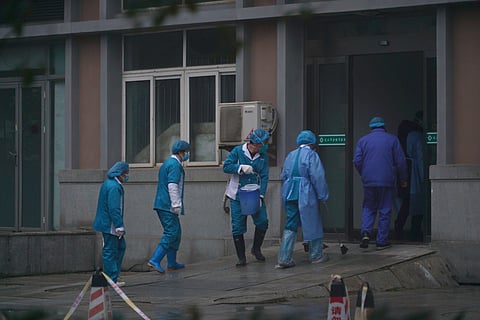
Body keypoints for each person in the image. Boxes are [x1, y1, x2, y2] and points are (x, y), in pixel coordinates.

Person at [277, 130, 329, 269]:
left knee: (290, 223)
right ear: (312, 144)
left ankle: (284, 257)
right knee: (312, 221)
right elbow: (318, 176)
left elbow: (284, 175)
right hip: (305, 191)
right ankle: (316, 255)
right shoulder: (312, 155)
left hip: (289, 191)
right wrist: (323, 195)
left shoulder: (291, 155)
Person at [353, 117, 408, 250]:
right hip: (387, 180)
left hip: (369, 181)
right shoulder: (392, 139)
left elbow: (357, 160)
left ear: (371, 127)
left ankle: (366, 232)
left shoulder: (363, 140)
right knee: (384, 210)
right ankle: (381, 241)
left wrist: (364, 173)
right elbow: (400, 161)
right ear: (384, 127)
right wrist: (403, 178)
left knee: (368, 207)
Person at [223, 129, 270, 267]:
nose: (265, 146)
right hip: (237, 194)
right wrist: (240, 168)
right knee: (237, 226)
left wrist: (261, 195)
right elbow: (226, 167)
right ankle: (241, 257)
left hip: (254, 193)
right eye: (263, 143)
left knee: (262, 221)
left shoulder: (263, 156)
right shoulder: (238, 151)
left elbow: (265, 176)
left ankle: (256, 249)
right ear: (254, 144)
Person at [147, 140, 190, 274]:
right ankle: (155, 259)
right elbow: (172, 185)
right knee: (171, 233)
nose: (187, 155)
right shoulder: (174, 165)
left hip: (164, 203)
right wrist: (176, 204)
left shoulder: (168, 163)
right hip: (167, 205)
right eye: (186, 152)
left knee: (176, 233)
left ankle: (172, 262)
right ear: (181, 152)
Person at [93, 161, 130, 284]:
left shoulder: (110, 184)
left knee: (120, 247)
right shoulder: (114, 187)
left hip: (108, 223)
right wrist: (119, 225)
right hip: (110, 225)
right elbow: (114, 208)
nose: (127, 176)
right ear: (120, 173)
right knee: (110, 250)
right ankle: (111, 278)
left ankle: (114, 275)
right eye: (126, 173)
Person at [395, 111, 425, 241]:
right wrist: (424, 177)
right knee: (417, 204)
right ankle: (415, 231)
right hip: (414, 173)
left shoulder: (402, 134)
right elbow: (421, 158)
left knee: (405, 202)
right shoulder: (417, 136)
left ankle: (399, 229)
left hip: (401, 170)